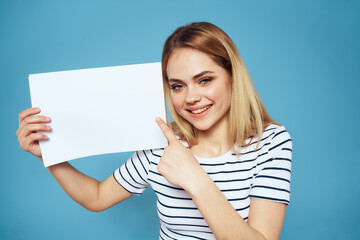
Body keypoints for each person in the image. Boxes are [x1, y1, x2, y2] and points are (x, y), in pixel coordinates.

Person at [16, 22, 292, 240]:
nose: (191, 97)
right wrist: (49, 155)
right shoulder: (161, 144)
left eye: (205, 80)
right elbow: (97, 197)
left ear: (232, 76)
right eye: (178, 86)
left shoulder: (271, 143)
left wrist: (195, 178)